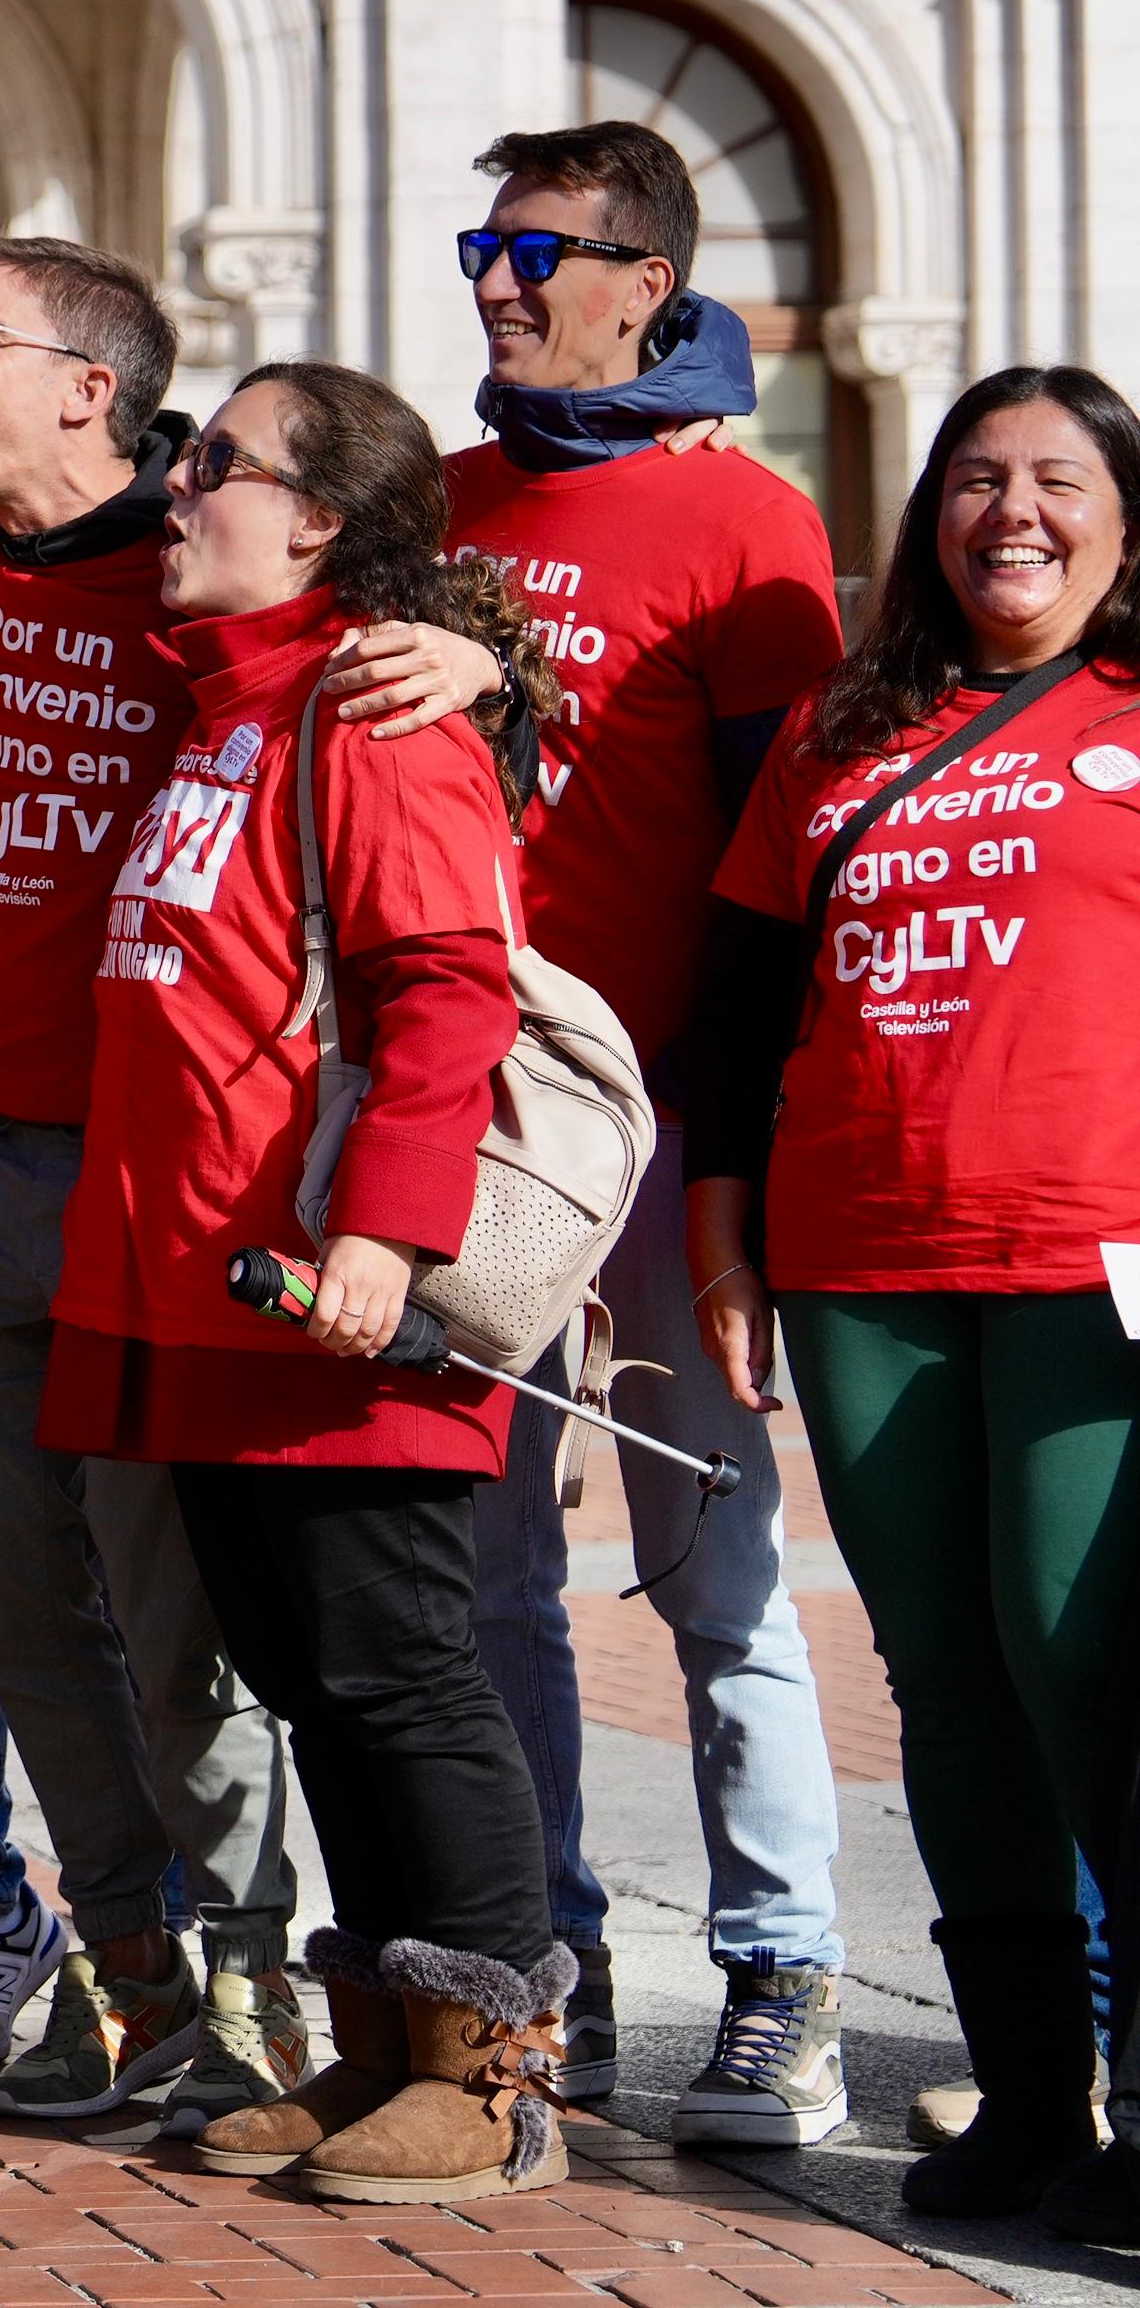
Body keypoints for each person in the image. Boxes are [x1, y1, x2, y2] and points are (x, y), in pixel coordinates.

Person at [44, 358, 573, 2206]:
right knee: (309, 1668)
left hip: (336, 1294)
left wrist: (386, 1236)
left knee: (397, 1666)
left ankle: (498, 2071)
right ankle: (383, 2047)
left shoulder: (373, 716)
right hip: (209, 1288)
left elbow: (447, 986)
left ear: (323, 521)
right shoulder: (227, 701)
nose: (175, 487)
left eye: (215, 463)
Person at [678, 364, 1140, 2242]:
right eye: (974, 480)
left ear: (1123, 513)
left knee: (1085, 1657)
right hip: (860, 1254)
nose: (1009, 514)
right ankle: (1031, 2107)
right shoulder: (833, 731)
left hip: (1091, 1255)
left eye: (1055, 480)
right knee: (944, 1687)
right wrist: (723, 1238)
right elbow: (735, 1005)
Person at [437, 120, 856, 2136]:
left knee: (717, 1574)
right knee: (487, 1566)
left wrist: (748, 1162)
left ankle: (785, 1974)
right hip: (471, 1113)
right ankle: (552, 1960)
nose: (501, 282)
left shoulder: (750, 530)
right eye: (483, 246)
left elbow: (800, 868)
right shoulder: (428, 515)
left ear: (651, 288)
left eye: (538, 249)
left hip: (669, 1119)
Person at [0, 239, 317, 2133]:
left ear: (89, 386)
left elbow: (382, 625)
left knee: (176, 1619)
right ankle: (129, 1975)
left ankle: (250, 1982)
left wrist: (464, 639)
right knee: (1, 1598)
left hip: (163, 1174)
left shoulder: (207, 550)